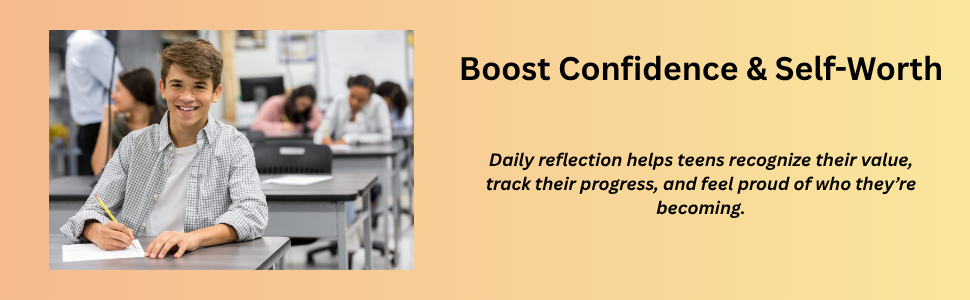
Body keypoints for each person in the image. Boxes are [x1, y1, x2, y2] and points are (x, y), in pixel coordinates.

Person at [61, 40, 268, 259]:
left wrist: (195, 237)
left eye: (199, 86)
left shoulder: (234, 144)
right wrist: (97, 231)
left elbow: (252, 213)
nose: (187, 97)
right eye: (177, 85)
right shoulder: (134, 144)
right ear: (163, 88)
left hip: (204, 265)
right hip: (140, 264)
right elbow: (90, 212)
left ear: (216, 93)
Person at [66, 30, 123, 175]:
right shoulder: (93, 43)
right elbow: (122, 86)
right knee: (104, 190)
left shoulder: (78, 39)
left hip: (89, 128)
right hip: (101, 126)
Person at [91, 67, 167, 175]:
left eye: (118, 90)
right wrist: (106, 123)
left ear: (136, 90)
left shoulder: (170, 121)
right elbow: (100, 170)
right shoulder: (117, 125)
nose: (113, 96)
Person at [313, 75, 392, 145]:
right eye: (352, 96)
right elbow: (321, 132)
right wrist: (322, 140)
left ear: (370, 97)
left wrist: (351, 139)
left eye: (361, 100)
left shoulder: (378, 104)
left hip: (370, 155)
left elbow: (386, 136)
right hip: (340, 153)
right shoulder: (339, 101)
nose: (354, 102)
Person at [250, 84, 322, 137]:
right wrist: (282, 127)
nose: (301, 109)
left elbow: (321, 122)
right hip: (274, 145)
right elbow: (256, 126)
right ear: (294, 97)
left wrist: (296, 127)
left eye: (306, 107)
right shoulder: (274, 103)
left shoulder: (309, 106)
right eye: (301, 104)